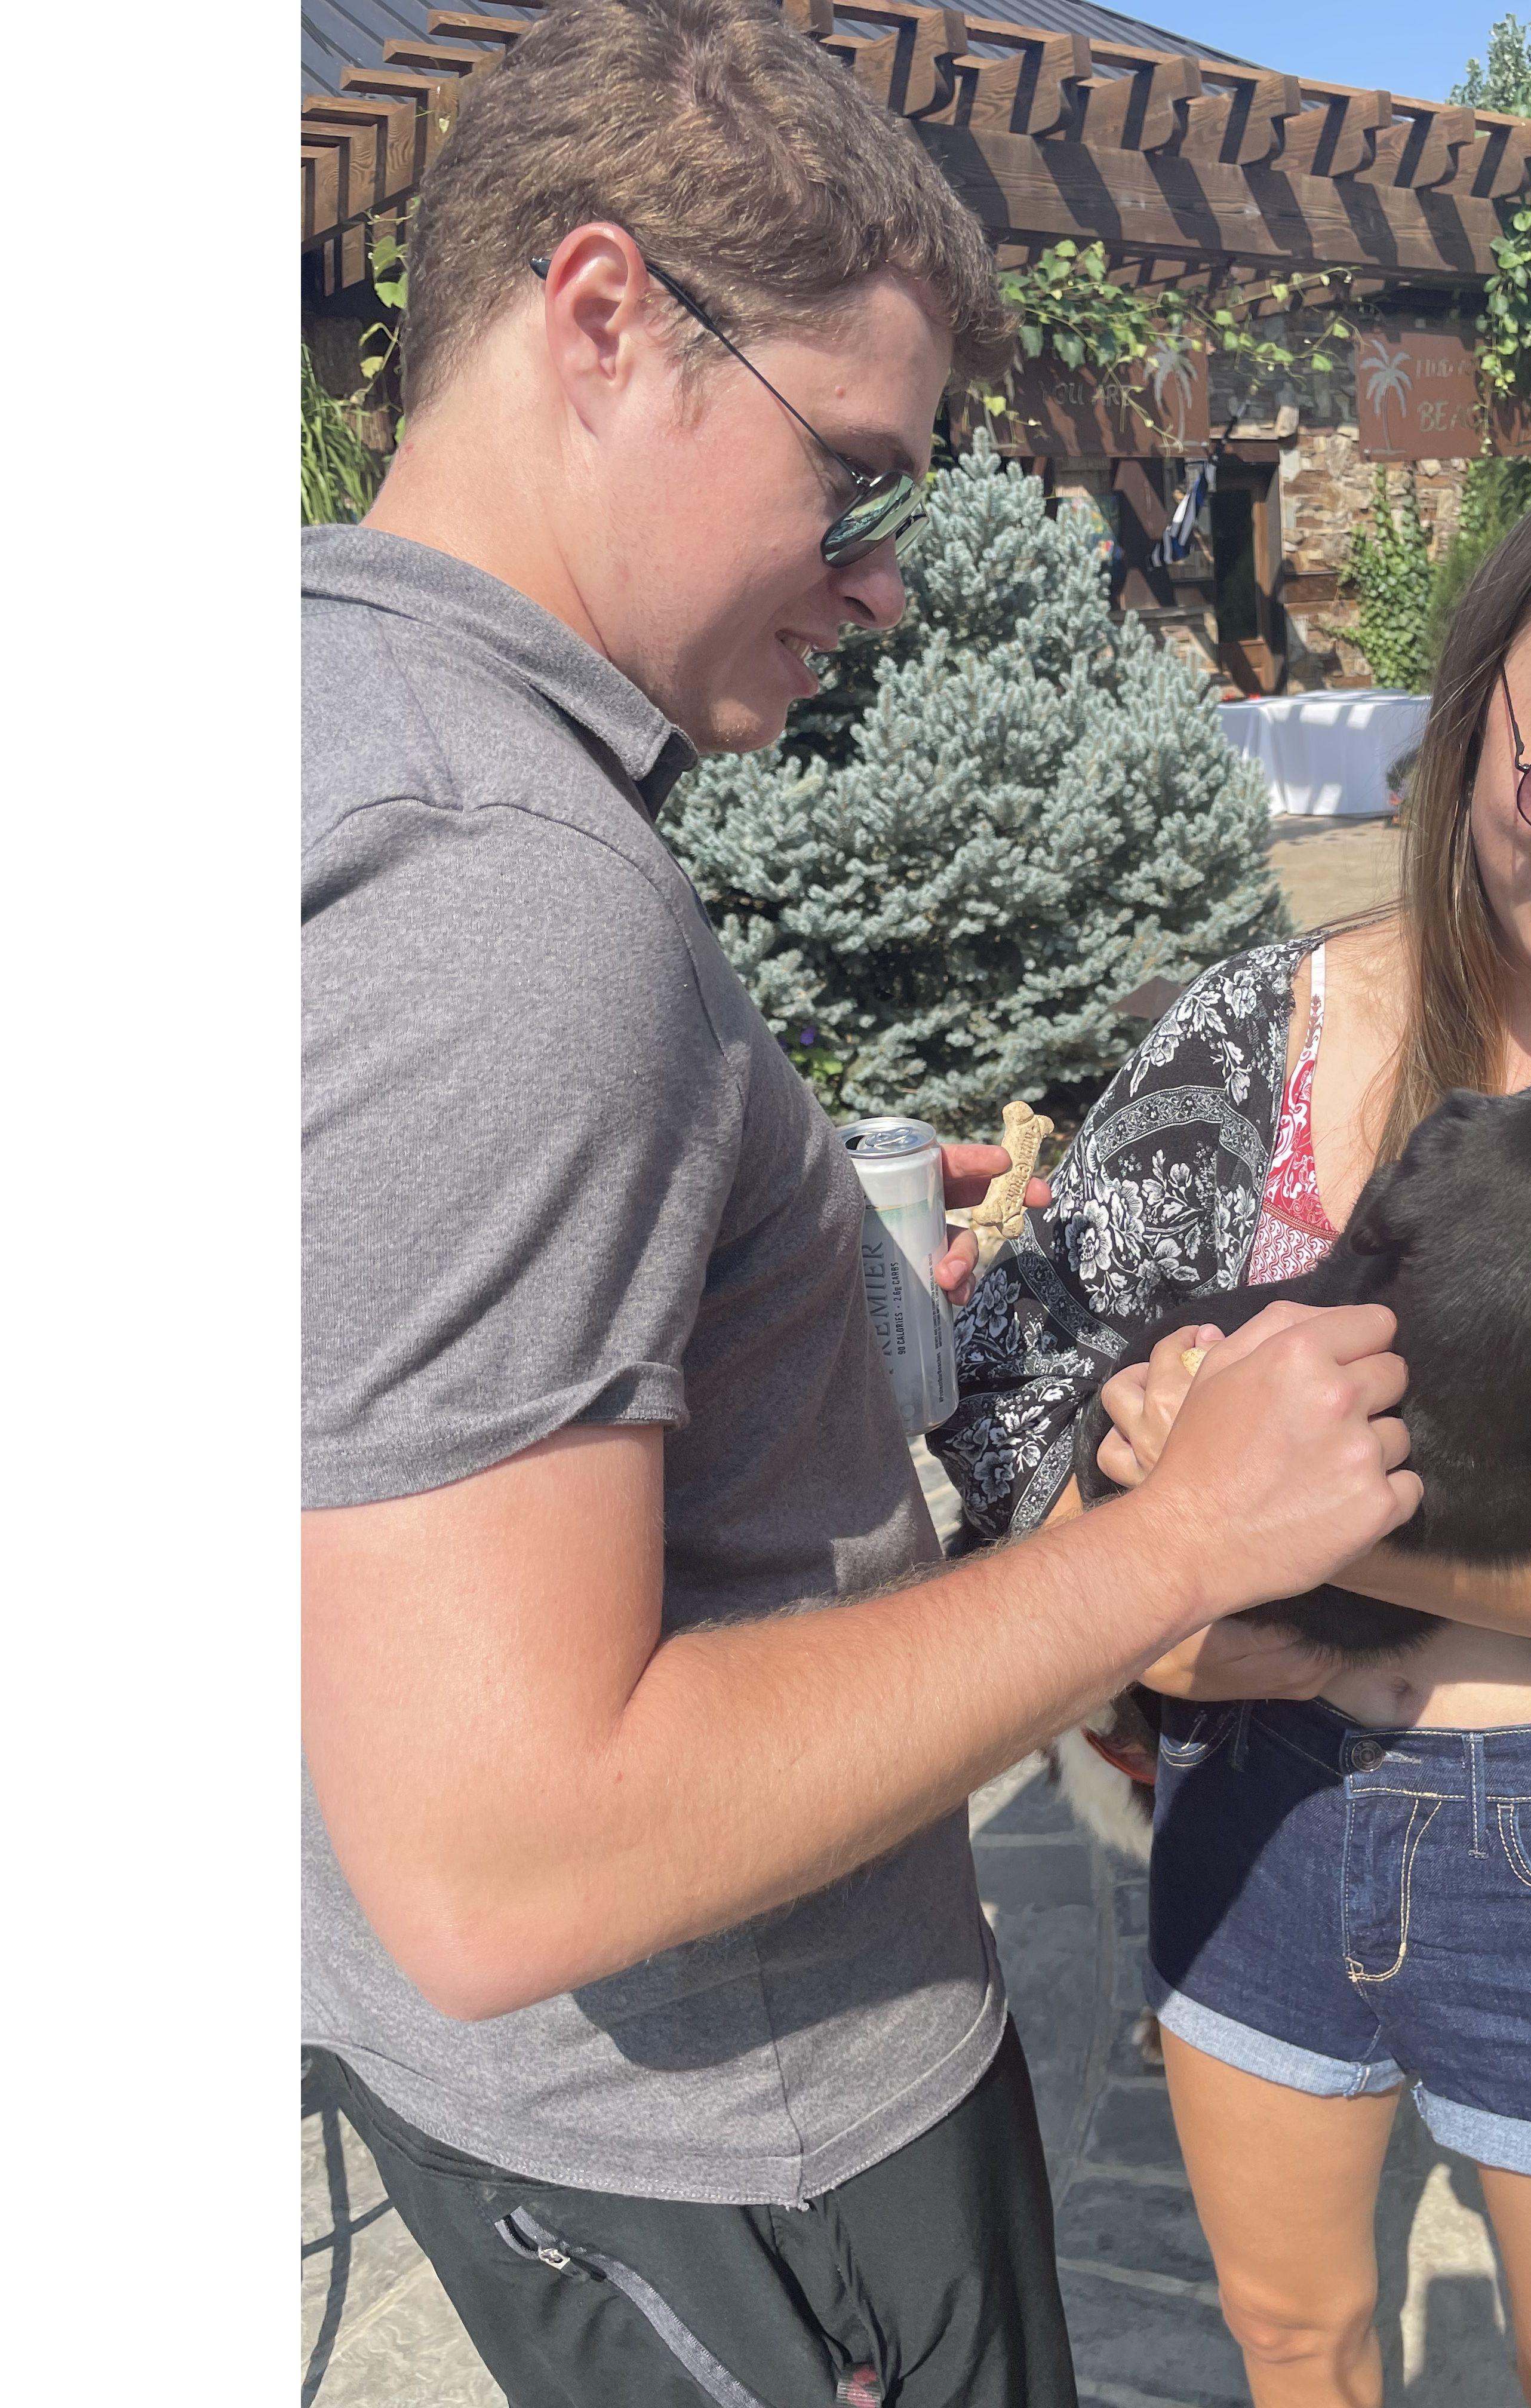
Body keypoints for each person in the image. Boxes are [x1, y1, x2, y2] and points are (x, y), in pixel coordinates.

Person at [300, 7, 1419, 2404]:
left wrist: (804, 1287)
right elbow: (513, 1854)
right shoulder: (498, 889)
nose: (881, 588)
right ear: (607, 319)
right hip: (751, 2159)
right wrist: (1170, 1549)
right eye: (857, 478)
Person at [939, 419, 1531, 2407]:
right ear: (1475, 700)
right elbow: (1007, 1400)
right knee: (1296, 2345)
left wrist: (1271, 1518)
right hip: (1261, 1817)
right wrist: (1121, 1446)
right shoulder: (1260, 1032)